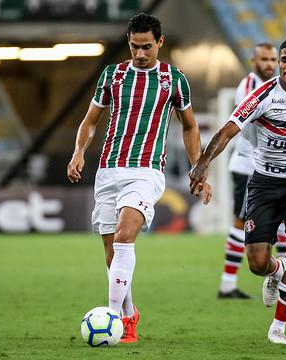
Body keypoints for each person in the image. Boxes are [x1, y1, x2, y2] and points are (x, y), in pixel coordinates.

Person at [67, 13, 211, 344]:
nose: (140, 54)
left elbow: (189, 126)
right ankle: (129, 315)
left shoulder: (174, 79)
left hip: (146, 171)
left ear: (160, 42)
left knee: (124, 236)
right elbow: (90, 121)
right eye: (134, 47)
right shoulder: (113, 74)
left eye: (147, 47)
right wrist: (79, 152)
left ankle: (113, 318)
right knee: (111, 251)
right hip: (107, 169)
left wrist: (197, 167)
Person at [190, 37, 286, 345]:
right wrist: (202, 164)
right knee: (257, 263)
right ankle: (275, 270)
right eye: (284, 60)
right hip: (264, 184)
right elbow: (227, 131)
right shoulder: (262, 96)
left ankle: (278, 328)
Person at [218, 43, 286, 300]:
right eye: (265, 59)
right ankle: (228, 284)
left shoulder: (279, 87)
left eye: (274, 59)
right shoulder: (251, 88)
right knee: (241, 222)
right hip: (248, 166)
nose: (270, 64)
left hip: (267, 168)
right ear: (254, 61)